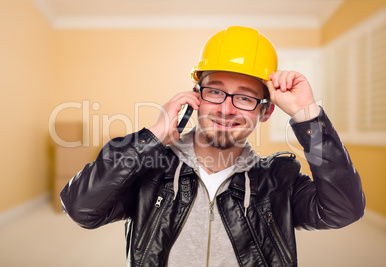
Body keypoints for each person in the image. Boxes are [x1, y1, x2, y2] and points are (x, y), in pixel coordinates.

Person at [60, 26, 365, 267]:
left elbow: (343, 210)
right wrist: (151, 138)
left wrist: (307, 115)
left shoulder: (277, 181)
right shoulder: (150, 171)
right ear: (196, 96)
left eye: (244, 97)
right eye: (215, 92)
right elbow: (80, 208)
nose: (226, 109)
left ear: (266, 111)